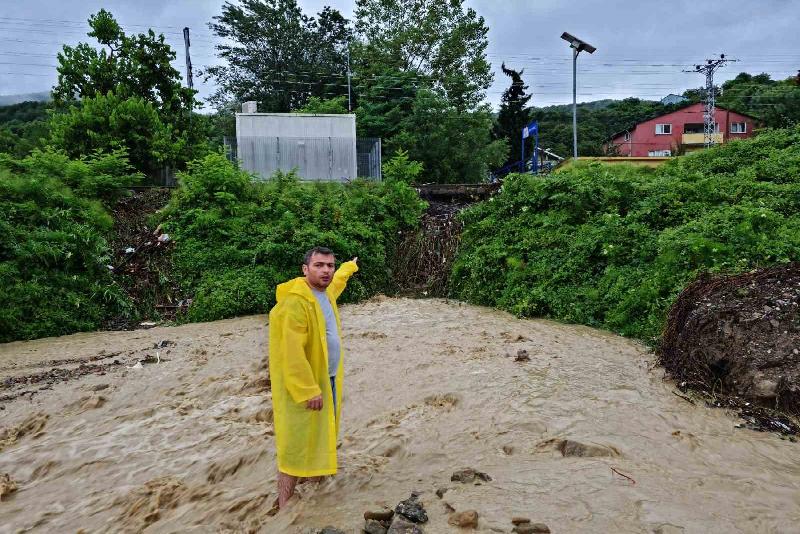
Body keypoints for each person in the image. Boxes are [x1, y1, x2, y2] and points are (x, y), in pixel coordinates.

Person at [268, 246, 359, 509]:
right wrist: (308, 389)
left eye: (330, 265)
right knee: (295, 443)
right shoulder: (295, 301)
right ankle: (284, 503)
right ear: (305, 269)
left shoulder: (326, 292)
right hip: (306, 385)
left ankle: (315, 495)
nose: (326, 270)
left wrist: (349, 267)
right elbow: (291, 352)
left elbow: (339, 281)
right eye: (319, 265)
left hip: (327, 379)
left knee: (321, 435)